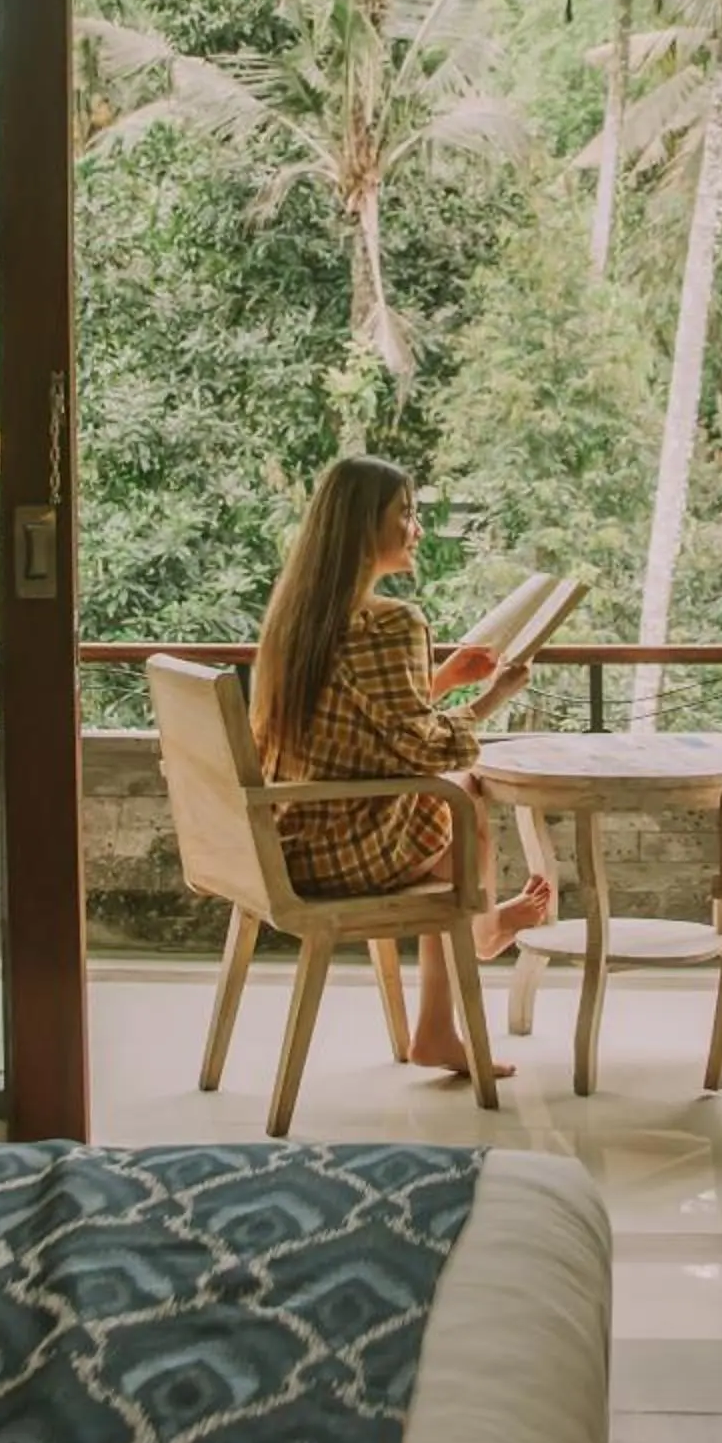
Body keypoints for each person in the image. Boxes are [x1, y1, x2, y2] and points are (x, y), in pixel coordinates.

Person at [251, 455, 554, 1077]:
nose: (416, 528)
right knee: (465, 791)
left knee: (454, 800)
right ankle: (479, 937)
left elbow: (361, 724)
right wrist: (495, 696)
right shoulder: (390, 622)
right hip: (338, 850)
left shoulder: (298, 615)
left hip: (285, 839)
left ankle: (462, 971)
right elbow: (425, 749)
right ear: (366, 528)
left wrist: (441, 680)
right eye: (406, 514)